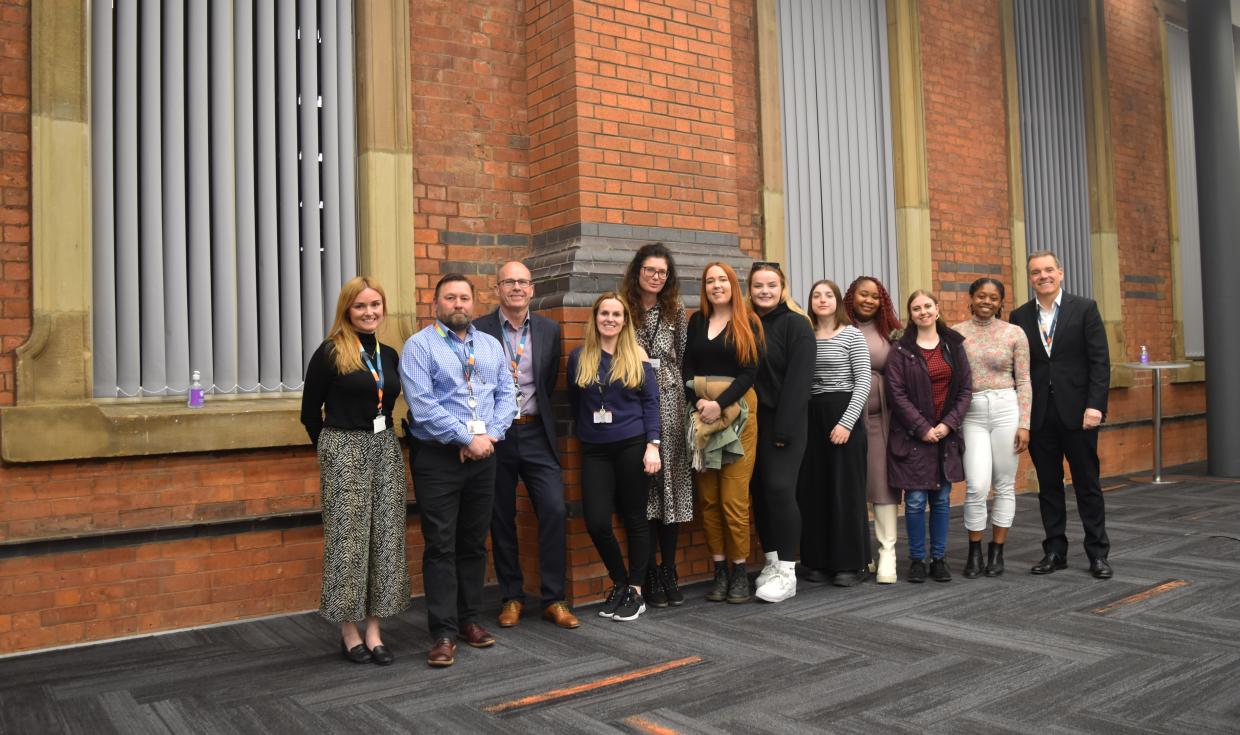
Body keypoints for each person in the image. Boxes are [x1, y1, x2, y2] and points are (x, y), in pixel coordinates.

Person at [400, 274, 515, 667]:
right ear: (436, 305)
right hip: (438, 458)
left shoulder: (490, 345)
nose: (458, 304)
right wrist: (466, 439)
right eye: (450, 298)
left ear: (474, 303)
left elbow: (506, 396)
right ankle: (443, 632)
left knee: (472, 541)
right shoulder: (419, 346)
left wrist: (489, 438)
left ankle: (470, 621)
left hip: (485, 456)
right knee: (440, 545)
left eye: (464, 297)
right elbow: (423, 406)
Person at [301, 276, 409, 666]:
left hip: (385, 447)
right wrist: (332, 450)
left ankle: (375, 630)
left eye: (375, 305)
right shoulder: (330, 352)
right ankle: (349, 630)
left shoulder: (390, 354)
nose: (369, 313)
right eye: (360, 306)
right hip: (344, 448)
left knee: (386, 538)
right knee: (349, 541)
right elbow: (309, 414)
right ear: (347, 310)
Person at [474, 261, 578, 630]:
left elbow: (547, 383)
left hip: (536, 433)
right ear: (497, 288)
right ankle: (512, 596)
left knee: (552, 509)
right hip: (496, 436)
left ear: (532, 289)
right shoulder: (479, 329)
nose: (516, 287)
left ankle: (553, 598)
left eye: (522, 282)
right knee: (501, 516)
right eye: (509, 282)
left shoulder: (550, 329)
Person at [1009, 251, 1112, 579]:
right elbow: (1018, 370)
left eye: (1048, 270)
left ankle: (1098, 554)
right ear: (1030, 278)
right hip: (1040, 417)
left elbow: (1100, 362)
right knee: (1049, 487)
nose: (1043, 276)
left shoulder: (1085, 309)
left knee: (1087, 485)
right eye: (1036, 272)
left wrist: (1095, 405)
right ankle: (1055, 551)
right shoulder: (1019, 316)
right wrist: (1021, 416)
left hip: (1080, 414)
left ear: (1061, 273)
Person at [567, 293, 662, 622]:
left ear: (625, 321)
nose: (610, 318)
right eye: (604, 313)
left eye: (616, 314)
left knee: (635, 518)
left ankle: (636, 590)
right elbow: (576, 402)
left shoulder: (637, 355)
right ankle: (621, 581)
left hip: (632, 445)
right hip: (595, 449)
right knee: (596, 521)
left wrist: (654, 444)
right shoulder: (580, 357)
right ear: (595, 318)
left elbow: (651, 403)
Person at [683, 262, 763, 604]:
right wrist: (699, 401)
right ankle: (720, 572)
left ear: (733, 284)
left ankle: (740, 572)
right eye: (710, 280)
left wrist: (721, 403)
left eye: (722, 279)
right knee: (710, 499)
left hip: (739, 416)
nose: (716, 285)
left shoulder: (749, 322)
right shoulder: (697, 321)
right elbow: (687, 366)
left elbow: (750, 371)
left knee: (734, 500)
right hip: (702, 418)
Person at [885, 290, 972, 584]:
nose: (923, 311)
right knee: (914, 500)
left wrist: (947, 424)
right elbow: (896, 394)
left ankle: (939, 558)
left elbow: (965, 390)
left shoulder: (954, 346)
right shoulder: (900, 350)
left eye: (927, 306)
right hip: (913, 437)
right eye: (916, 308)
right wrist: (922, 427)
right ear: (911, 315)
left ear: (937, 309)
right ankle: (917, 560)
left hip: (945, 436)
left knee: (942, 499)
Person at [621, 243, 690, 608]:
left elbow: (682, 356)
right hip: (633, 402)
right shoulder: (622, 308)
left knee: (671, 488)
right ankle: (646, 570)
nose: (656, 277)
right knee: (645, 489)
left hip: (670, 400)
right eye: (650, 270)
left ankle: (669, 569)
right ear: (638, 271)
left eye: (663, 272)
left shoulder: (675, 310)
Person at [953, 278, 1031, 578]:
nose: (987, 301)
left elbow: (1024, 380)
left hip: (1005, 409)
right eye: (981, 296)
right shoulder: (957, 333)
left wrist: (1025, 423)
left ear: (1001, 302)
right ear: (971, 298)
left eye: (994, 297)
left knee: (1004, 483)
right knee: (976, 485)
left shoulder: (1014, 333)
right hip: (971, 412)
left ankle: (996, 551)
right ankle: (974, 551)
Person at [797, 279, 873, 587]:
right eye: (816, 295)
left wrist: (846, 423)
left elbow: (864, 382)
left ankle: (851, 564)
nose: (822, 299)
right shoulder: (805, 336)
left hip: (844, 414)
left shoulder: (851, 335)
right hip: (812, 417)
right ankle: (817, 561)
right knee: (815, 491)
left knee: (845, 492)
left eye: (828, 295)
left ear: (838, 301)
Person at [746, 262, 813, 603]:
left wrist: (784, 429)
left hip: (784, 423)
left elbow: (799, 383)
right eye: (758, 285)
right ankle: (771, 561)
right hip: (750, 424)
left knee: (779, 489)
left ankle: (788, 571)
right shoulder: (746, 324)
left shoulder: (796, 325)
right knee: (759, 491)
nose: (765, 291)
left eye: (771, 285)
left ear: (782, 287)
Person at [843, 276, 903, 583]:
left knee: (881, 486)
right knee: (852, 486)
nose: (869, 300)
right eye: (863, 295)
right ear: (851, 296)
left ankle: (887, 554)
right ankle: (858, 553)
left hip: (881, 421)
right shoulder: (839, 327)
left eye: (875, 296)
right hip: (844, 421)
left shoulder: (891, 331)